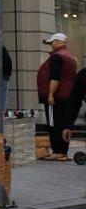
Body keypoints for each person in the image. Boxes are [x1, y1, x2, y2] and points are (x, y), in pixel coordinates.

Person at [37, 33, 77, 161]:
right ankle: (63, 151)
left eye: (53, 42)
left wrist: (50, 94)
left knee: (54, 123)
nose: (51, 45)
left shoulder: (57, 57)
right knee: (63, 123)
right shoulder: (70, 56)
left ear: (59, 42)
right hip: (67, 95)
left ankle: (58, 151)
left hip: (57, 96)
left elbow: (55, 78)